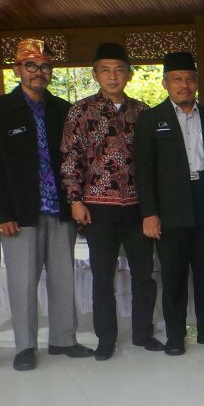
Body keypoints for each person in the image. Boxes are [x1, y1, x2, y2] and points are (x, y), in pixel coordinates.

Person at [0, 38, 91, 371]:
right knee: (22, 281)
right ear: (18, 69)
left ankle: (63, 339)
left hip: (59, 209)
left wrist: (77, 201)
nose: (38, 72)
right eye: (31, 65)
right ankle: (25, 346)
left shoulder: (62, 109)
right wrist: (1, 213)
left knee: (63, 277)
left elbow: (75, 160)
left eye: (45, 66)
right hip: (19, 213)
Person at [60, 42, 158, 361]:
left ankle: (143, 333)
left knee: (144, 274)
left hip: (138, 207)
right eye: (106, 70)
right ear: (95, 74)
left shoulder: (142, 112)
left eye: (119, 70)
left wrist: (153, 207)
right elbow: (70, 158)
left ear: (129, 74)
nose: (113, 76)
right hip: (98, 208)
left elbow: (153, 161)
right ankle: (106, 339)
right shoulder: (80, 111)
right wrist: (75, 199)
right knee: (102, 277)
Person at [134, 51, 204, 356]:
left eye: (189, 78)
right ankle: (175, 335)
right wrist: (150, 213)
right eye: (176, 79)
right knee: (173, 275)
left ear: (196, 82)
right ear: (165, 83)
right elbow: (144, 171)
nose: (183, 84)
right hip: (170, 204)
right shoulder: (150, 119)